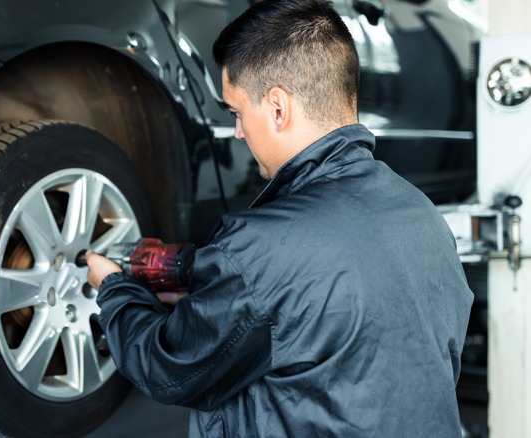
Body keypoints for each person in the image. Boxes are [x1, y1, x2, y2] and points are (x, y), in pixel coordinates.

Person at [86, 0, 474, 435]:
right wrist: (215, 292)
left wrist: (115, 290)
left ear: (276, 108)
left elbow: (167, 368)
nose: (237, 131)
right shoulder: (421, 214)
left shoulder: (260, 247)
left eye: (236, 112)